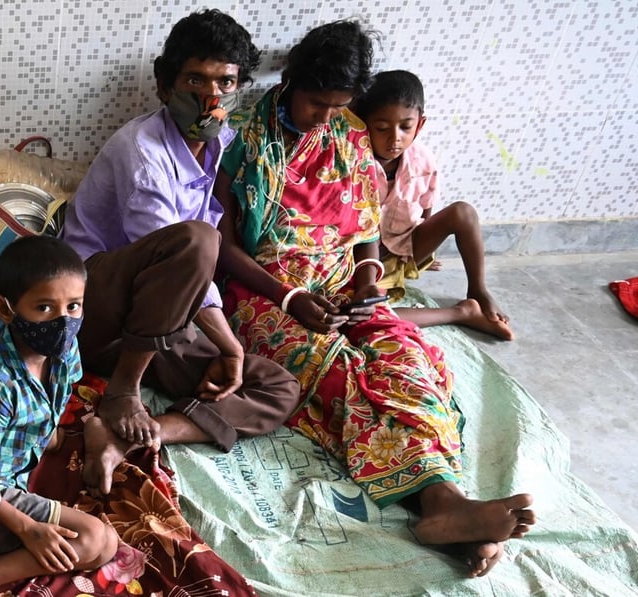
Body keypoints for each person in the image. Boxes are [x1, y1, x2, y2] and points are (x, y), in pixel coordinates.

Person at [213, 20, 535, 577]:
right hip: (265, 292)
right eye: (318, 103)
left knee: (406, 359)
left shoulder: (349, 135)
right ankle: (442, 509)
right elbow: (220, 244)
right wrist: (288, 299)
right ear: (291, 81)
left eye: (340, 106)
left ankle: (447, 502)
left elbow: (364, 225)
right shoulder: (240, 139)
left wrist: (366, 280)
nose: (327, 117)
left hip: (341, 281)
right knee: (335, 372)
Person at [60, 9, 301, 495]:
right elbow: (187, 253)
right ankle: (124, 392)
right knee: (198, 240)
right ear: (165, 85)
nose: (211, 97)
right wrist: (229, 343)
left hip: (156, 326)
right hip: (93, 309)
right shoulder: (141, 149)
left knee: (278, 388)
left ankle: (128, 438)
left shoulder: (226, 146)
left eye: (226, 83)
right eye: (195, 80)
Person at [0, 235, 118, 596]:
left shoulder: (65, 348)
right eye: (44, 307)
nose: (62, 321)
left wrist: (48, 434)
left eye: (73, 306)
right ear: (6, 309)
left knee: (105, 542)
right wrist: (28, 528)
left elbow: (56, 406)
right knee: (96, 541)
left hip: (8, 477)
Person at [354, 70, 513, 340]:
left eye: (406, 127)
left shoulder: (422, 159)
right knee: (358, 314)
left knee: (463, 212)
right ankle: (460, 313)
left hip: (404, 248)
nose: (395, 138)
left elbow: (426, 209)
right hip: (359, 260)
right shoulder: (355, 160)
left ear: (420, 124)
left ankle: (478, 289)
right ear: (364, 123)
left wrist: (426, 253)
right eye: (382, 128)